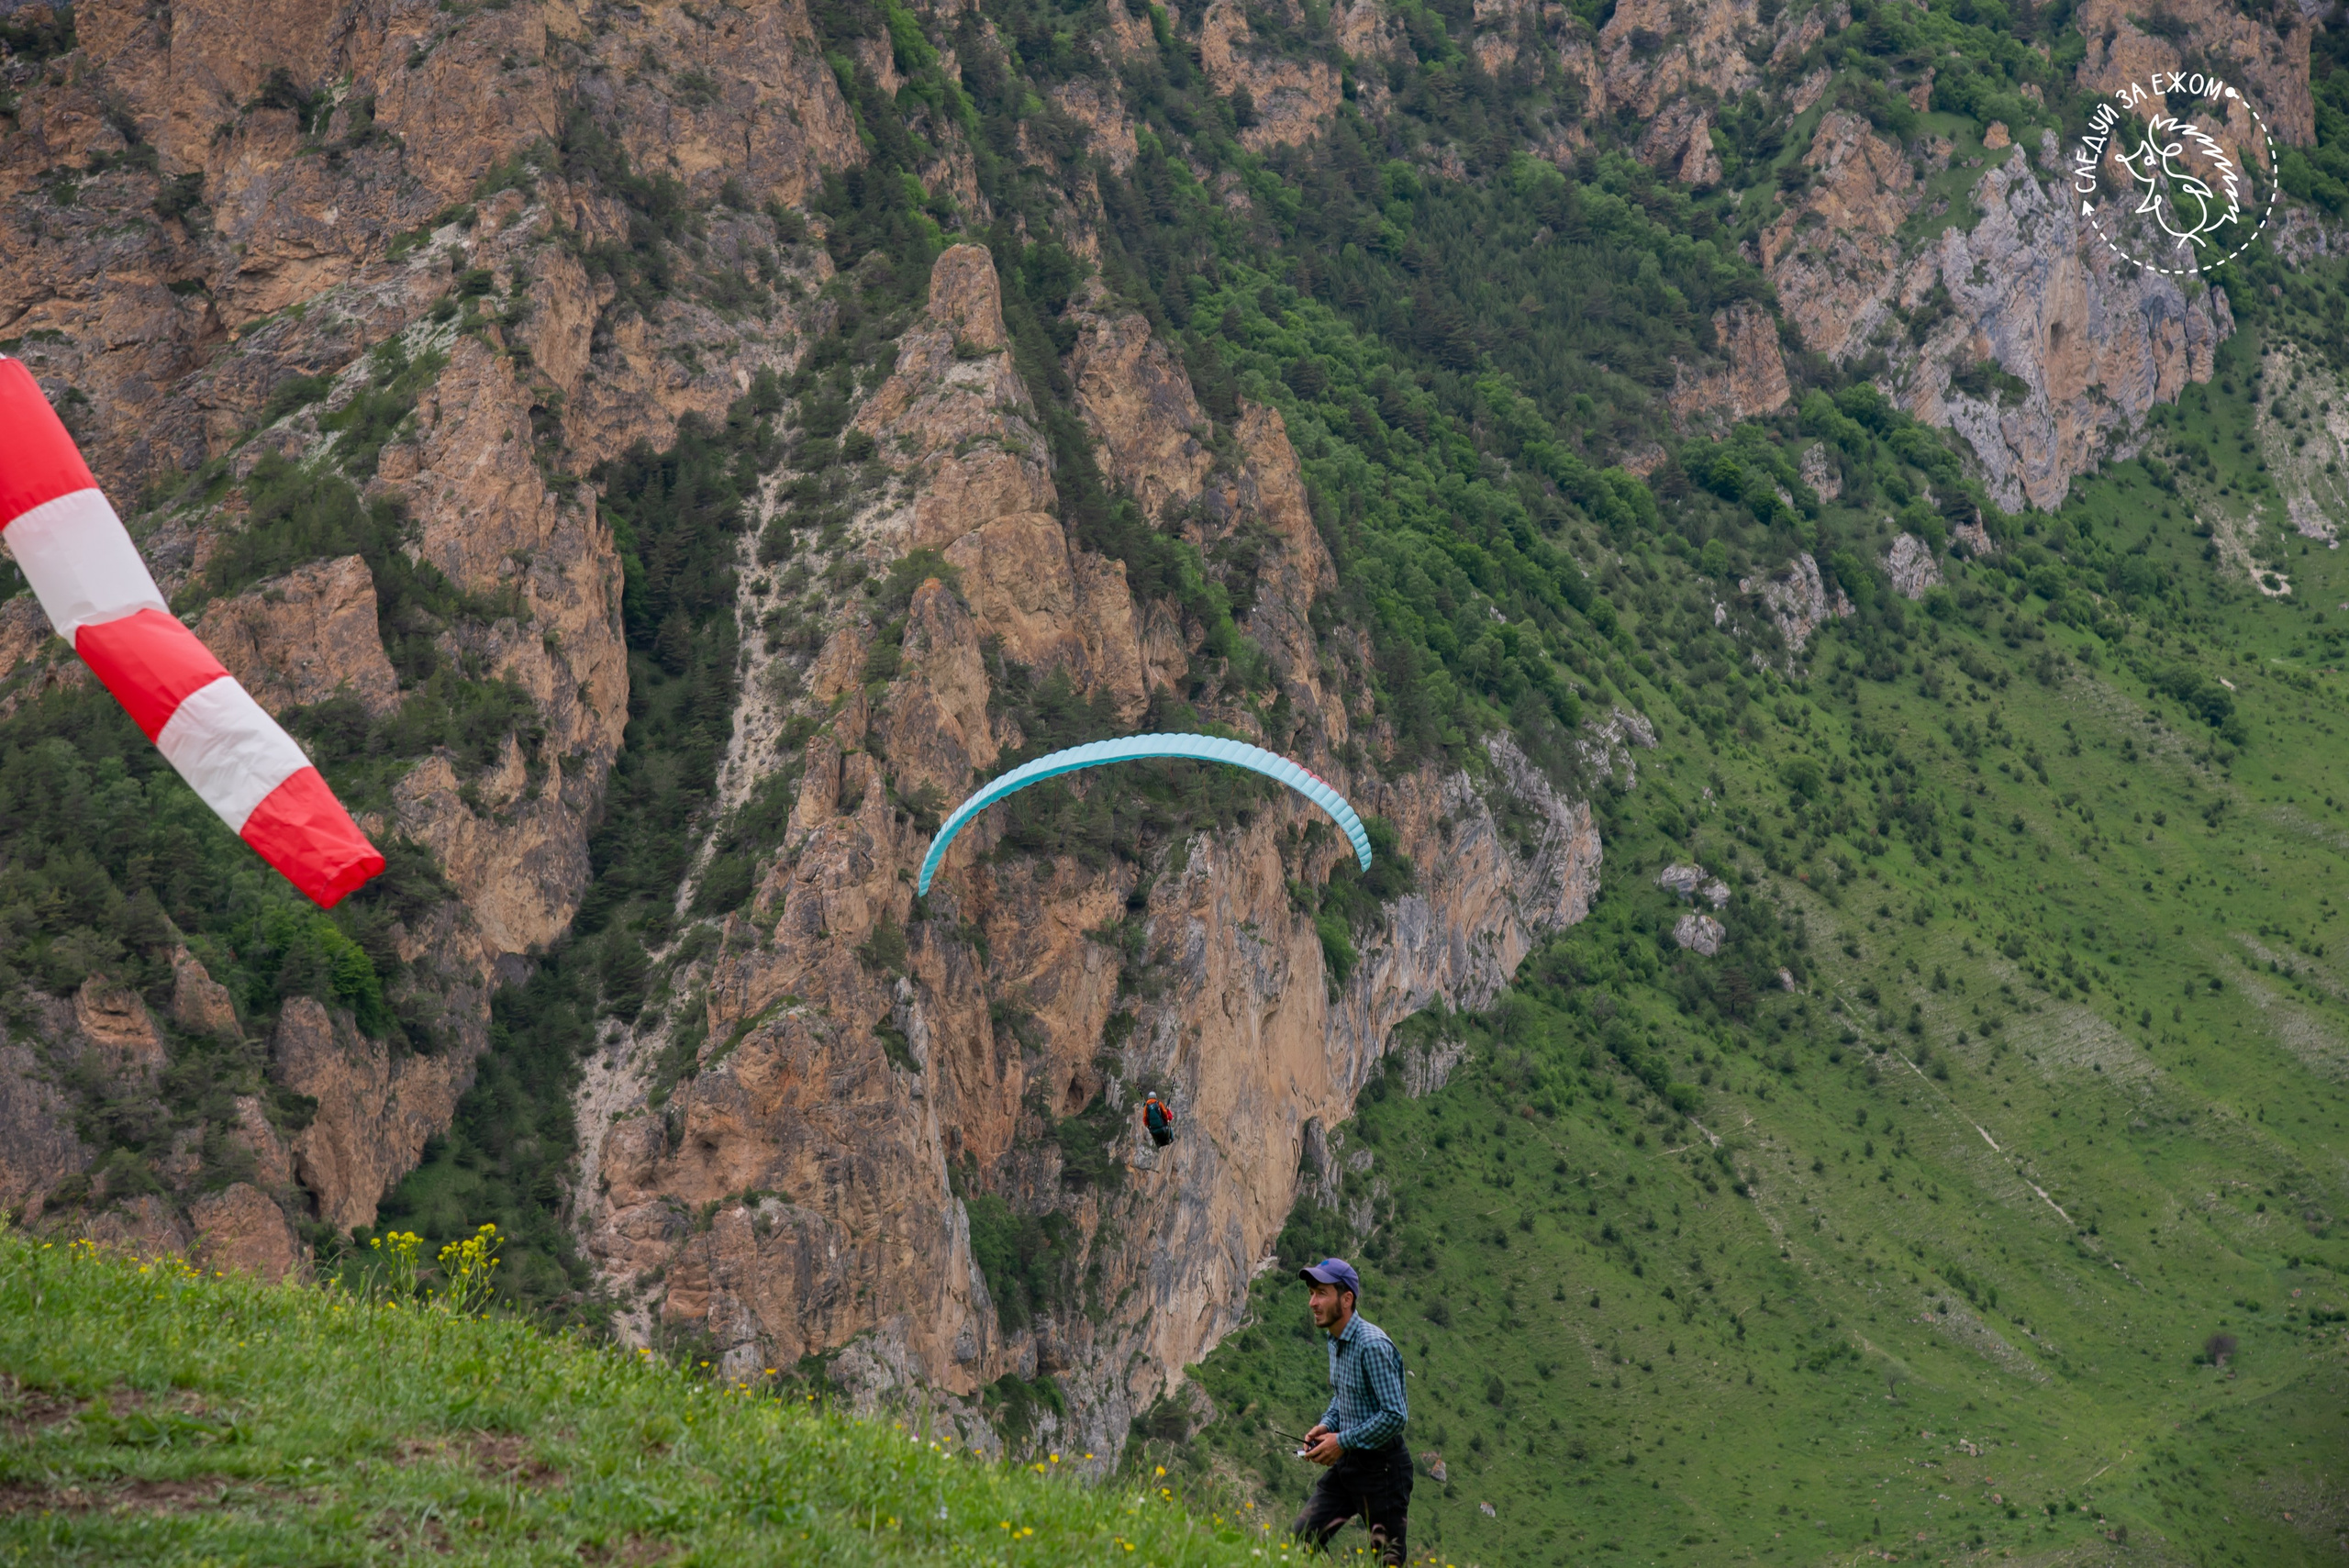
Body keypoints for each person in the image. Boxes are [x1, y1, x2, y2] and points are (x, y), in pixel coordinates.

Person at [1291, 1257, 1410, 1565]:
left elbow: (1396, 1415)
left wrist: (1341, 1441)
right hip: (1349, 1464)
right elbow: (1344, 1395)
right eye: (1311, 1293)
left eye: (1320, 1293)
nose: (1312, 1302)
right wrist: (1326, 1425)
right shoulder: (1335, 1338)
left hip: (1384, 1469)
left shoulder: (1372, 1345)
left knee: (1388, 1561)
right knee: (1302, 1538)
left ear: (1347, 1299)